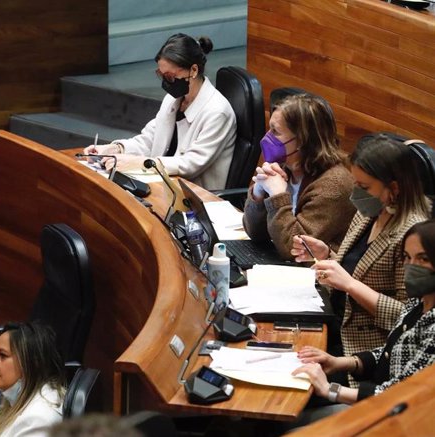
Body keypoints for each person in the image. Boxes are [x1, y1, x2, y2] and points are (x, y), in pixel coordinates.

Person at [291, 133, 430, 384]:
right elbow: (359, 268)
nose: (355, 193)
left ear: (394, 188)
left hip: (360, 350)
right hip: (331, 320)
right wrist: (328, 255)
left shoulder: (414, 236)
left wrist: (350, 285)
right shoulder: (370, 212)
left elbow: (407, 316)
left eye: (363, 187)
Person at [290, 219, 435, 422]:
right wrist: (340, 363)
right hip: (380, 403)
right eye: (407, 257)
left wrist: (331, 390)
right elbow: (391, 352)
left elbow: (401, 393)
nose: (412, 266)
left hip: (398, 418)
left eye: (423, 259)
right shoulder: (419, 302)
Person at [82, 33, 236, 190]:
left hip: (194, 197)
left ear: (194, 70)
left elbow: (191, 164)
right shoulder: (173, 99)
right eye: (161, 75)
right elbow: (150, 139)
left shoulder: (217, 112)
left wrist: (140, 163)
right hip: (164, 185)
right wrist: (115, 149)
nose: (166, 83)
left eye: (170, 76)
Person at [242, 93, 355, 259]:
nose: (268, 137)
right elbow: (255, 233)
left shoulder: (334, 185)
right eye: (269, 128)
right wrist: (259, 193)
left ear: (302, 140)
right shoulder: (284, 166)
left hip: (317, 277)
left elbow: (292, 250)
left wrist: (278, 196)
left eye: (276, 131)